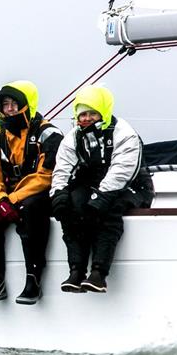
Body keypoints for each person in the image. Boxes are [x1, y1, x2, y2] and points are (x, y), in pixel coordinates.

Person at [50, 85, 154, 293]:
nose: (87, 118)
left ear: (103, 112)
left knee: (109, 209)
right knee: (71, 206)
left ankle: (99, 273)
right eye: (83, 114)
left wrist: (100, 198)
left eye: (92, 113)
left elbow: (121, 172)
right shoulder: (73, 137)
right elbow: (62, 168)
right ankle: (76, 271)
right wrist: (59, 194)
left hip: (131, 186)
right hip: (92, 184)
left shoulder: (124, 133)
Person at [0, 80, 63, 305]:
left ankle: (34, 280)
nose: (10, 109)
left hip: (37, 192)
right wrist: (0, 199)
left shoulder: (48, 133)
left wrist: (13, 199)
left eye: (15, 103)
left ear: (26, 104)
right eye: (6, 104)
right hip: (6, 195)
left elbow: (46, 175)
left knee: (33, 209)